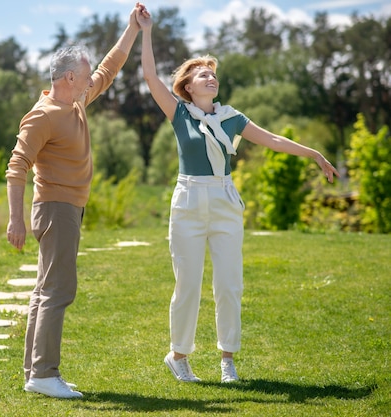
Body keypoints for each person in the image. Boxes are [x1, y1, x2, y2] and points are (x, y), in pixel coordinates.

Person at [136, 7, 339, 383]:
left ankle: (227, 358)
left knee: (229, 283)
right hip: (189, 202)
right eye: (202, 75)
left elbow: (274, 140)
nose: (210, 77)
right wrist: (146, 31)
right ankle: (178, 356)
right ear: (188, 87)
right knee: (188, 285)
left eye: (213, 74)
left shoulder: (232, 117)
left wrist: (313, 154)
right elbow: (149, 75)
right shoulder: (179, 114)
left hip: (226, 201)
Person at [5, 3, 146, 399]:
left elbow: (109, 67)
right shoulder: (44, 115)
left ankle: (35, 370)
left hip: (68, 209)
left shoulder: (76, 102)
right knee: (58, 291)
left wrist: (131, 28)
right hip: (55, 210)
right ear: (69, 77)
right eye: (84, 78)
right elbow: (16, 168)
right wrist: (15, 220)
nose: (90, 82)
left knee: (44, 289)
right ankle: (45, 374)